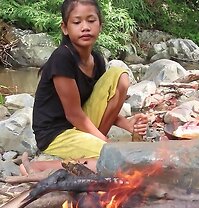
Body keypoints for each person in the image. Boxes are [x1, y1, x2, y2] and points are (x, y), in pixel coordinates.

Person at [24, 0, 147, 174]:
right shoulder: (62, 58)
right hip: (56, 134)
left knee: (119, 76)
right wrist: (106, 143)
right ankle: (39, 167)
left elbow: (100, 103)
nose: (85, 27)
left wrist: (127, 124)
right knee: (113, 158)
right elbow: (74, 113)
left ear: (100, 26)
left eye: (91, 20)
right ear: (65, 28)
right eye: (77, 22)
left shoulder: (97, 59)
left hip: (79, 123)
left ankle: (96, 144)